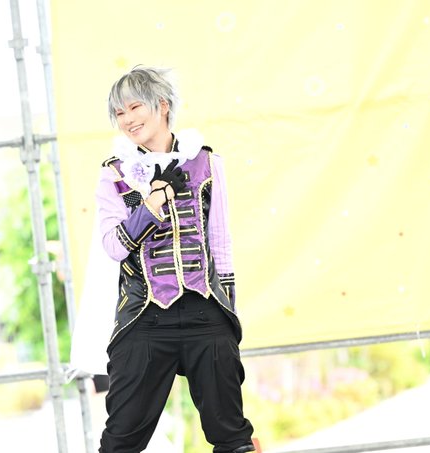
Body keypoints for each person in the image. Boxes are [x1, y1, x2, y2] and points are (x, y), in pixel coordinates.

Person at [95, 66, 255, 453]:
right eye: (120, 112)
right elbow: (114, 247)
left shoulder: (207, 163)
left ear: (162, 105)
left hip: (205, 310)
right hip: (144, 315)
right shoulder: (115, 173)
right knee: (119, 443)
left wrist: (227, 314)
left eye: (135, 107)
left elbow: (220, 241)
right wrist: (152, 203)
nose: (128, 119)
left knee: (233, 437)